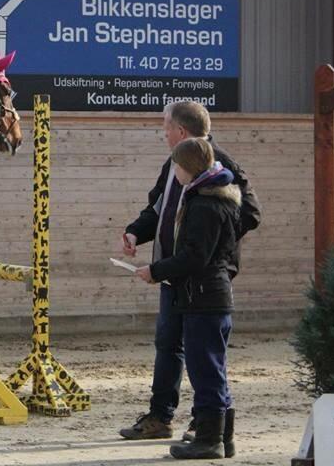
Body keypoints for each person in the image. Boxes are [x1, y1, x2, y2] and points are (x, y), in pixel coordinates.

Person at [119, 101, 261, 452]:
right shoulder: (175, 164)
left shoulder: (216, 165)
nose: (163, 132)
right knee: (171, 345)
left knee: (204, 354)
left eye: (166, 126)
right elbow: (158, 208)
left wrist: (215, 251)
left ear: (181, 130)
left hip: (198, 278)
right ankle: (161, 417)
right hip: (174, 275)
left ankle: (206, 426)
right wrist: (137, 232)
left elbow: (250, 213)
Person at [133, 137, 240, 459]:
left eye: (177, 166)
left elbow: (195, 256)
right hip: (209, 295)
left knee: (205, 369)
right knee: (213, 368)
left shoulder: (204, 205)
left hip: (203, 297)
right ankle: (223, 437)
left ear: (188, 167)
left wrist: (156, 269)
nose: (174, 171)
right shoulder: (215, 199)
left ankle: (209, 440)